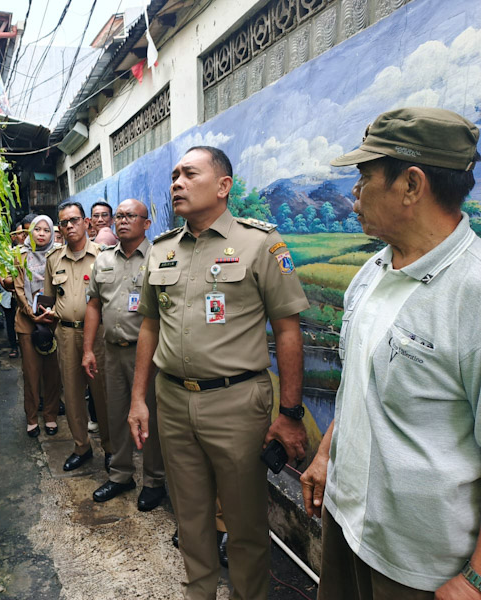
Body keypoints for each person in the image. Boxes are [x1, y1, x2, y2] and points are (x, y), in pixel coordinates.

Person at [299, 107, 481, 600]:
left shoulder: (472, 292)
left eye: (364, 176)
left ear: (411, 185)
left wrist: (476, 576)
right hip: (347, 524)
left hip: (422, 566)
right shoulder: (373, 272)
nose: (354, 193)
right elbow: (359, 386)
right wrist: (325, 453)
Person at [129, 146, 310, 600]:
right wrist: (138, 399)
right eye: (174, 175)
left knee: (246, 524)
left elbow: (288, 330)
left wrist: (289, 412)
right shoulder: (163, 249)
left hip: (237, 404)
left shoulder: (260, 243)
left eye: (189, 174)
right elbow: (149, 326)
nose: (176, 183)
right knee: (189, 519)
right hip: (171, 401)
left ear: (223, 186)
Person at [82, 199, 166, 510]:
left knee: (150, 417)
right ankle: (120, 474)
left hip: (149, 354)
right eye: (119, 216)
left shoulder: (160, 258)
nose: (122, 220)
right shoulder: (103, 260)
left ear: (146, 223)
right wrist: (88, 349)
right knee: (115, 414)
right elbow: (93, 306)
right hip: (112, 352)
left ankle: (155, 480)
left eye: (130, 216)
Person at [44, 201, 112, 471]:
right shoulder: (54, 260)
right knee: (72, 395)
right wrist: (44, 317)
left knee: (103, 394)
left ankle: (111, 449)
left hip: (98, 335)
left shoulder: (104, 256)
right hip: (66, 334)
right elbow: (48, 298)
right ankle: (81, 446)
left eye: (74, 220)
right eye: (64, 222)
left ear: (87, 222)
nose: (69, 226)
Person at [13, 215, 62, 438]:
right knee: (31, 373)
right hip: (27, 322)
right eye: (37, 229)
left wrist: (52, 312)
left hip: (53, 321)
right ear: (30, 232)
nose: (41, 234)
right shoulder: (20, 255)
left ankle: (50, 415)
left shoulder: (58, 255)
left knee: (53, 373)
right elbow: (18, 288)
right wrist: (31, 313)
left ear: (52, 233)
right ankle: (32, 417)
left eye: (46, 230)